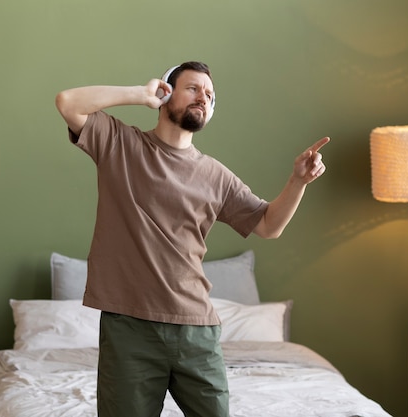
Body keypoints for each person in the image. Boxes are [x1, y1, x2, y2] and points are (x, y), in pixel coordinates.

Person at [55, 61, 329, 417]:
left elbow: (268, 225)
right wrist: (140, 95)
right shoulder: (120, 145)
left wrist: (297, 182)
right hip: (129, 330)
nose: (204, 97)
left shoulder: (215, 175)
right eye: (194, 88)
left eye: (211, 95)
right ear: (166, 93)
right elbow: (67, 102)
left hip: (196, 331)